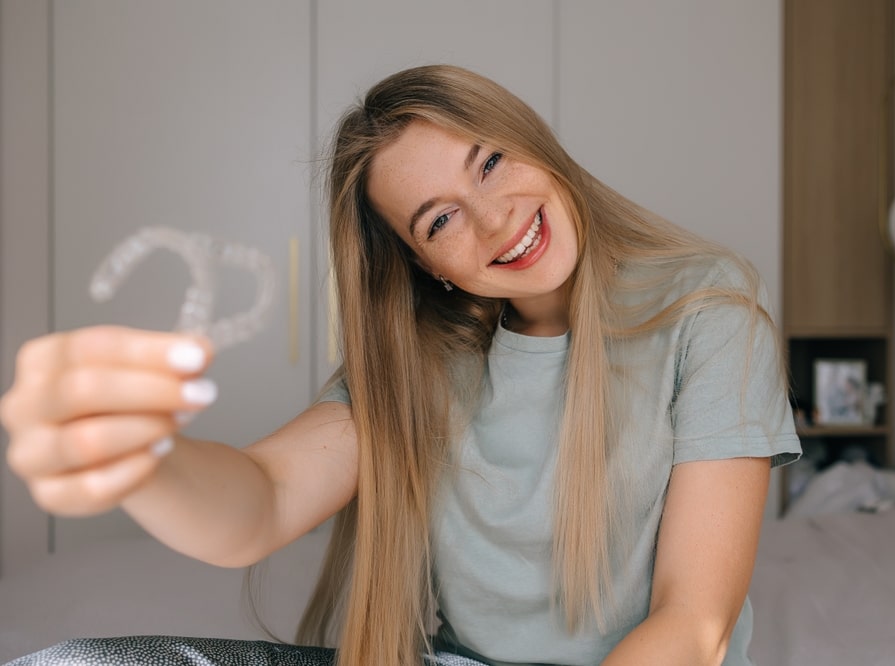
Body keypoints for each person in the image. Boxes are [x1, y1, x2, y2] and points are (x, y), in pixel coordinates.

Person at [1, 64, 800, 666]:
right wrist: (142, 459)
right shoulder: (423, 363)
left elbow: (695, 622)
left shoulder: (708, 309)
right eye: (442, 219)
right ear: (429, 267)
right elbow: (263, 500)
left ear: (537, 145)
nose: (496, 221)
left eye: (490, 162)